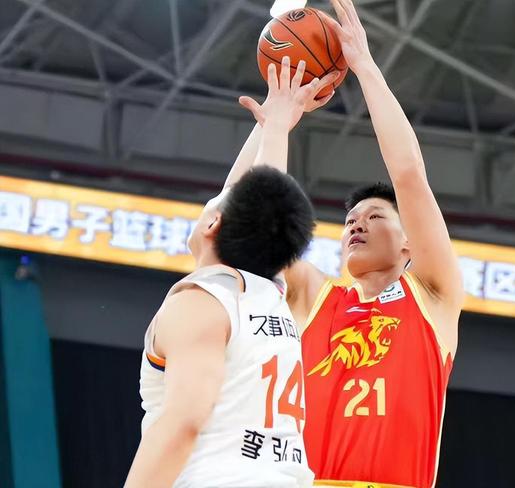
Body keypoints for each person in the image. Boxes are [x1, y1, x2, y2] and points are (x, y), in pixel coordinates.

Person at [124, 60, 337, 488]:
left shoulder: (200, 303)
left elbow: (184, 421)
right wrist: (274, 124)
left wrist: (277, 126)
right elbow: (261, 205)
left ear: (212, 224)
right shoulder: (271, 294)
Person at [284, 1, 465, 487]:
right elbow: (260, 221)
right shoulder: (317, 298)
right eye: (349, 220)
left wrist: (363, 66)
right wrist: (276, 122)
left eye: (375, 216)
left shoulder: (432, 295)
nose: (356, 225)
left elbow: (408, 175)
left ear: (408, 244)